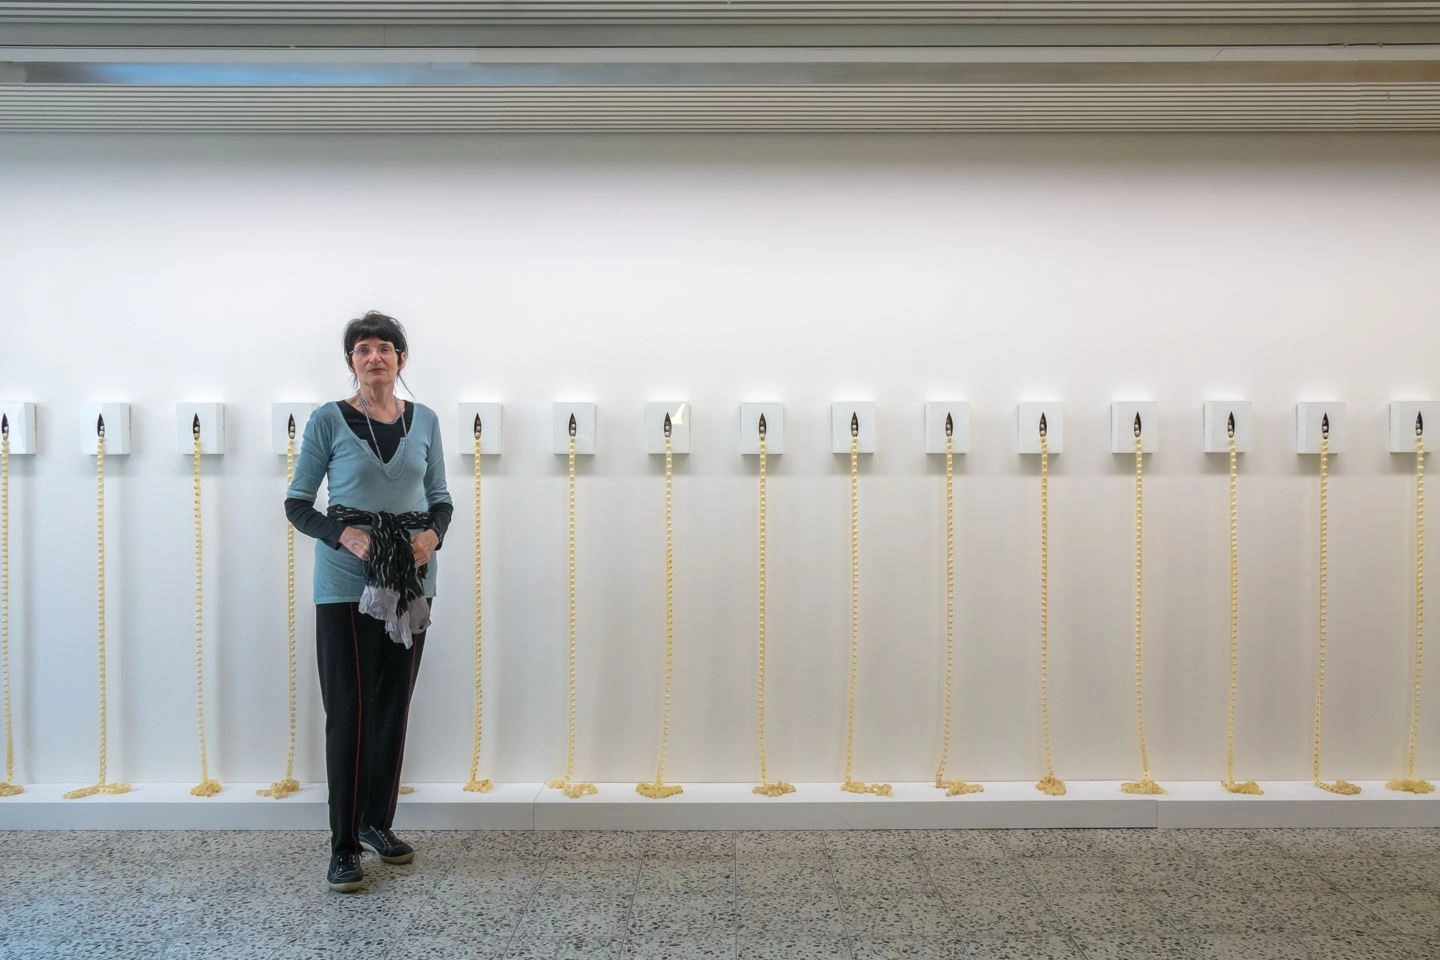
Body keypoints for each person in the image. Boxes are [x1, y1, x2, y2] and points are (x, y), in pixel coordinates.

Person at [284, 311, 453, 892]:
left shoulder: (425, 420)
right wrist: (343, 534)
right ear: (351, 361)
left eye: (385, 348)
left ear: (401, 360)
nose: (374, 356)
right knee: (349, 710)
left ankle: (378, 822)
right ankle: (343, 845)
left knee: (393, 705)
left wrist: (434, 536)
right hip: (345, 583)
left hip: (409, 579)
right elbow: (298, 503)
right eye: (363, 349)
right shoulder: (327, 421)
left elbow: (441, 500)